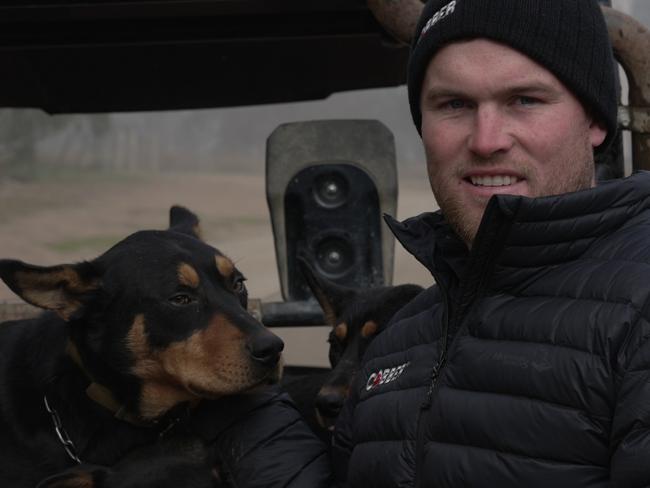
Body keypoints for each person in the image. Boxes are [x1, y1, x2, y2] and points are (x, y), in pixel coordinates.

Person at [331, 0, 650, 486]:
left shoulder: (639, 317)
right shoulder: (400, 341)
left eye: (525, 99)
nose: (486, 140)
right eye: (454, 104)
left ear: (594, 121)